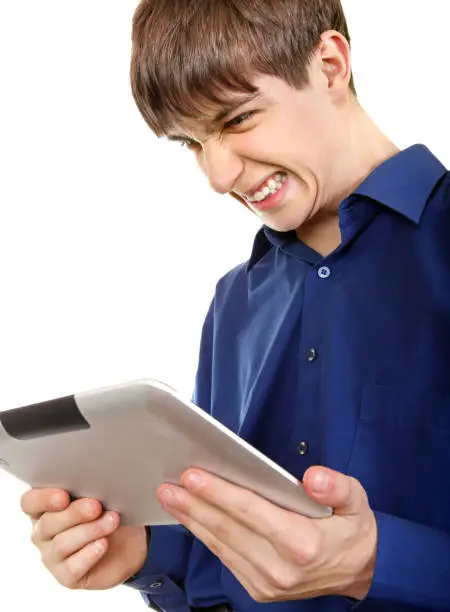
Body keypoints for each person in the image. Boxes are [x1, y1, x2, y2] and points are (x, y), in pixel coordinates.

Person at [20, 0, 450, 611]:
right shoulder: (234, 301)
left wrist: (379, 564)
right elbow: (219, 566)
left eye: (239, 119)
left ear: (330, 65)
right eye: (193, 142)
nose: (219, 176)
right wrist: (143, 554)